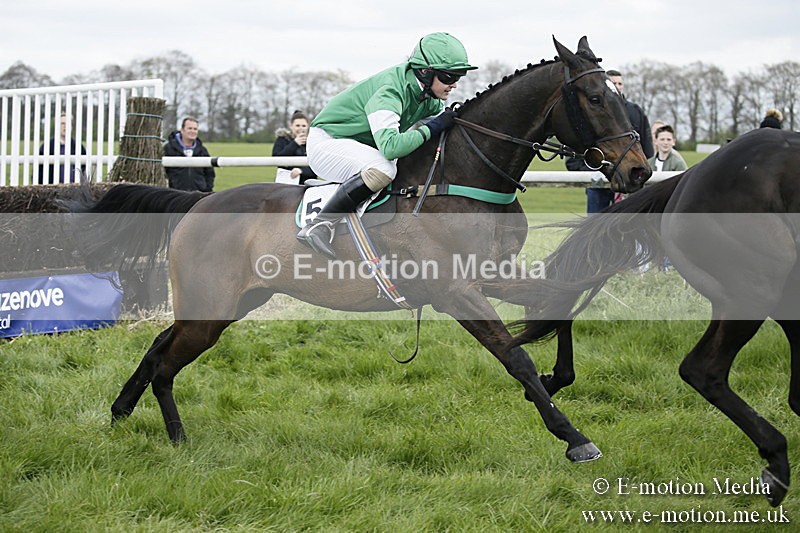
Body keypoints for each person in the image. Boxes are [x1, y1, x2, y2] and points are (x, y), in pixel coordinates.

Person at [296, 32, 478, 257]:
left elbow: (441, 133)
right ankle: (319, 225)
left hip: (359, 146)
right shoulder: (391, 90)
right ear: (425, 71)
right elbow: (391, 147)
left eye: (458, 77)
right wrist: (432, 127)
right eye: (449, 77)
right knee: (385, 168)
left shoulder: (428, 97)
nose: (454, 86)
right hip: (328, 143)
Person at [570, 69, 654, 214]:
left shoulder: (636, 112)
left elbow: (646, 149)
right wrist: (590, 172)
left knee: (629, 229)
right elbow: (574, 156)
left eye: (620, 83)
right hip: (598, 183)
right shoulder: (590, 112)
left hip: (629, 183)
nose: (617, 86)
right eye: (614, 83)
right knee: (595, 227)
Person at [163, 117, 215, 192]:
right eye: (190, 128)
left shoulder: (202, 150)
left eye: (195, 129)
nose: (192, 131)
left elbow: (210, 173)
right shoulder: (169, 148)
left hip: (198, 195)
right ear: (182, 130)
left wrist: (206, 189)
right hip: (176, 195)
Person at [38, 112, 87, 184]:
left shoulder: (78, 147)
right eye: (62, 124)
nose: (65, 126)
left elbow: (84, 170)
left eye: (68, 124)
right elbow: (39, 172)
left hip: (74, 190)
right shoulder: (47, 147)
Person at [272, 110, 316, 184]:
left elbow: (317, 166)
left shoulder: (313, 142)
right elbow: (277, 159)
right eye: (297, 125)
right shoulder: (282, 139)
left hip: (307, 184)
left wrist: (301, 171)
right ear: (291, 126)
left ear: (308, 127)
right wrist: (295, 143)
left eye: (304, 126)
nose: (301, 128)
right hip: (285, 182)